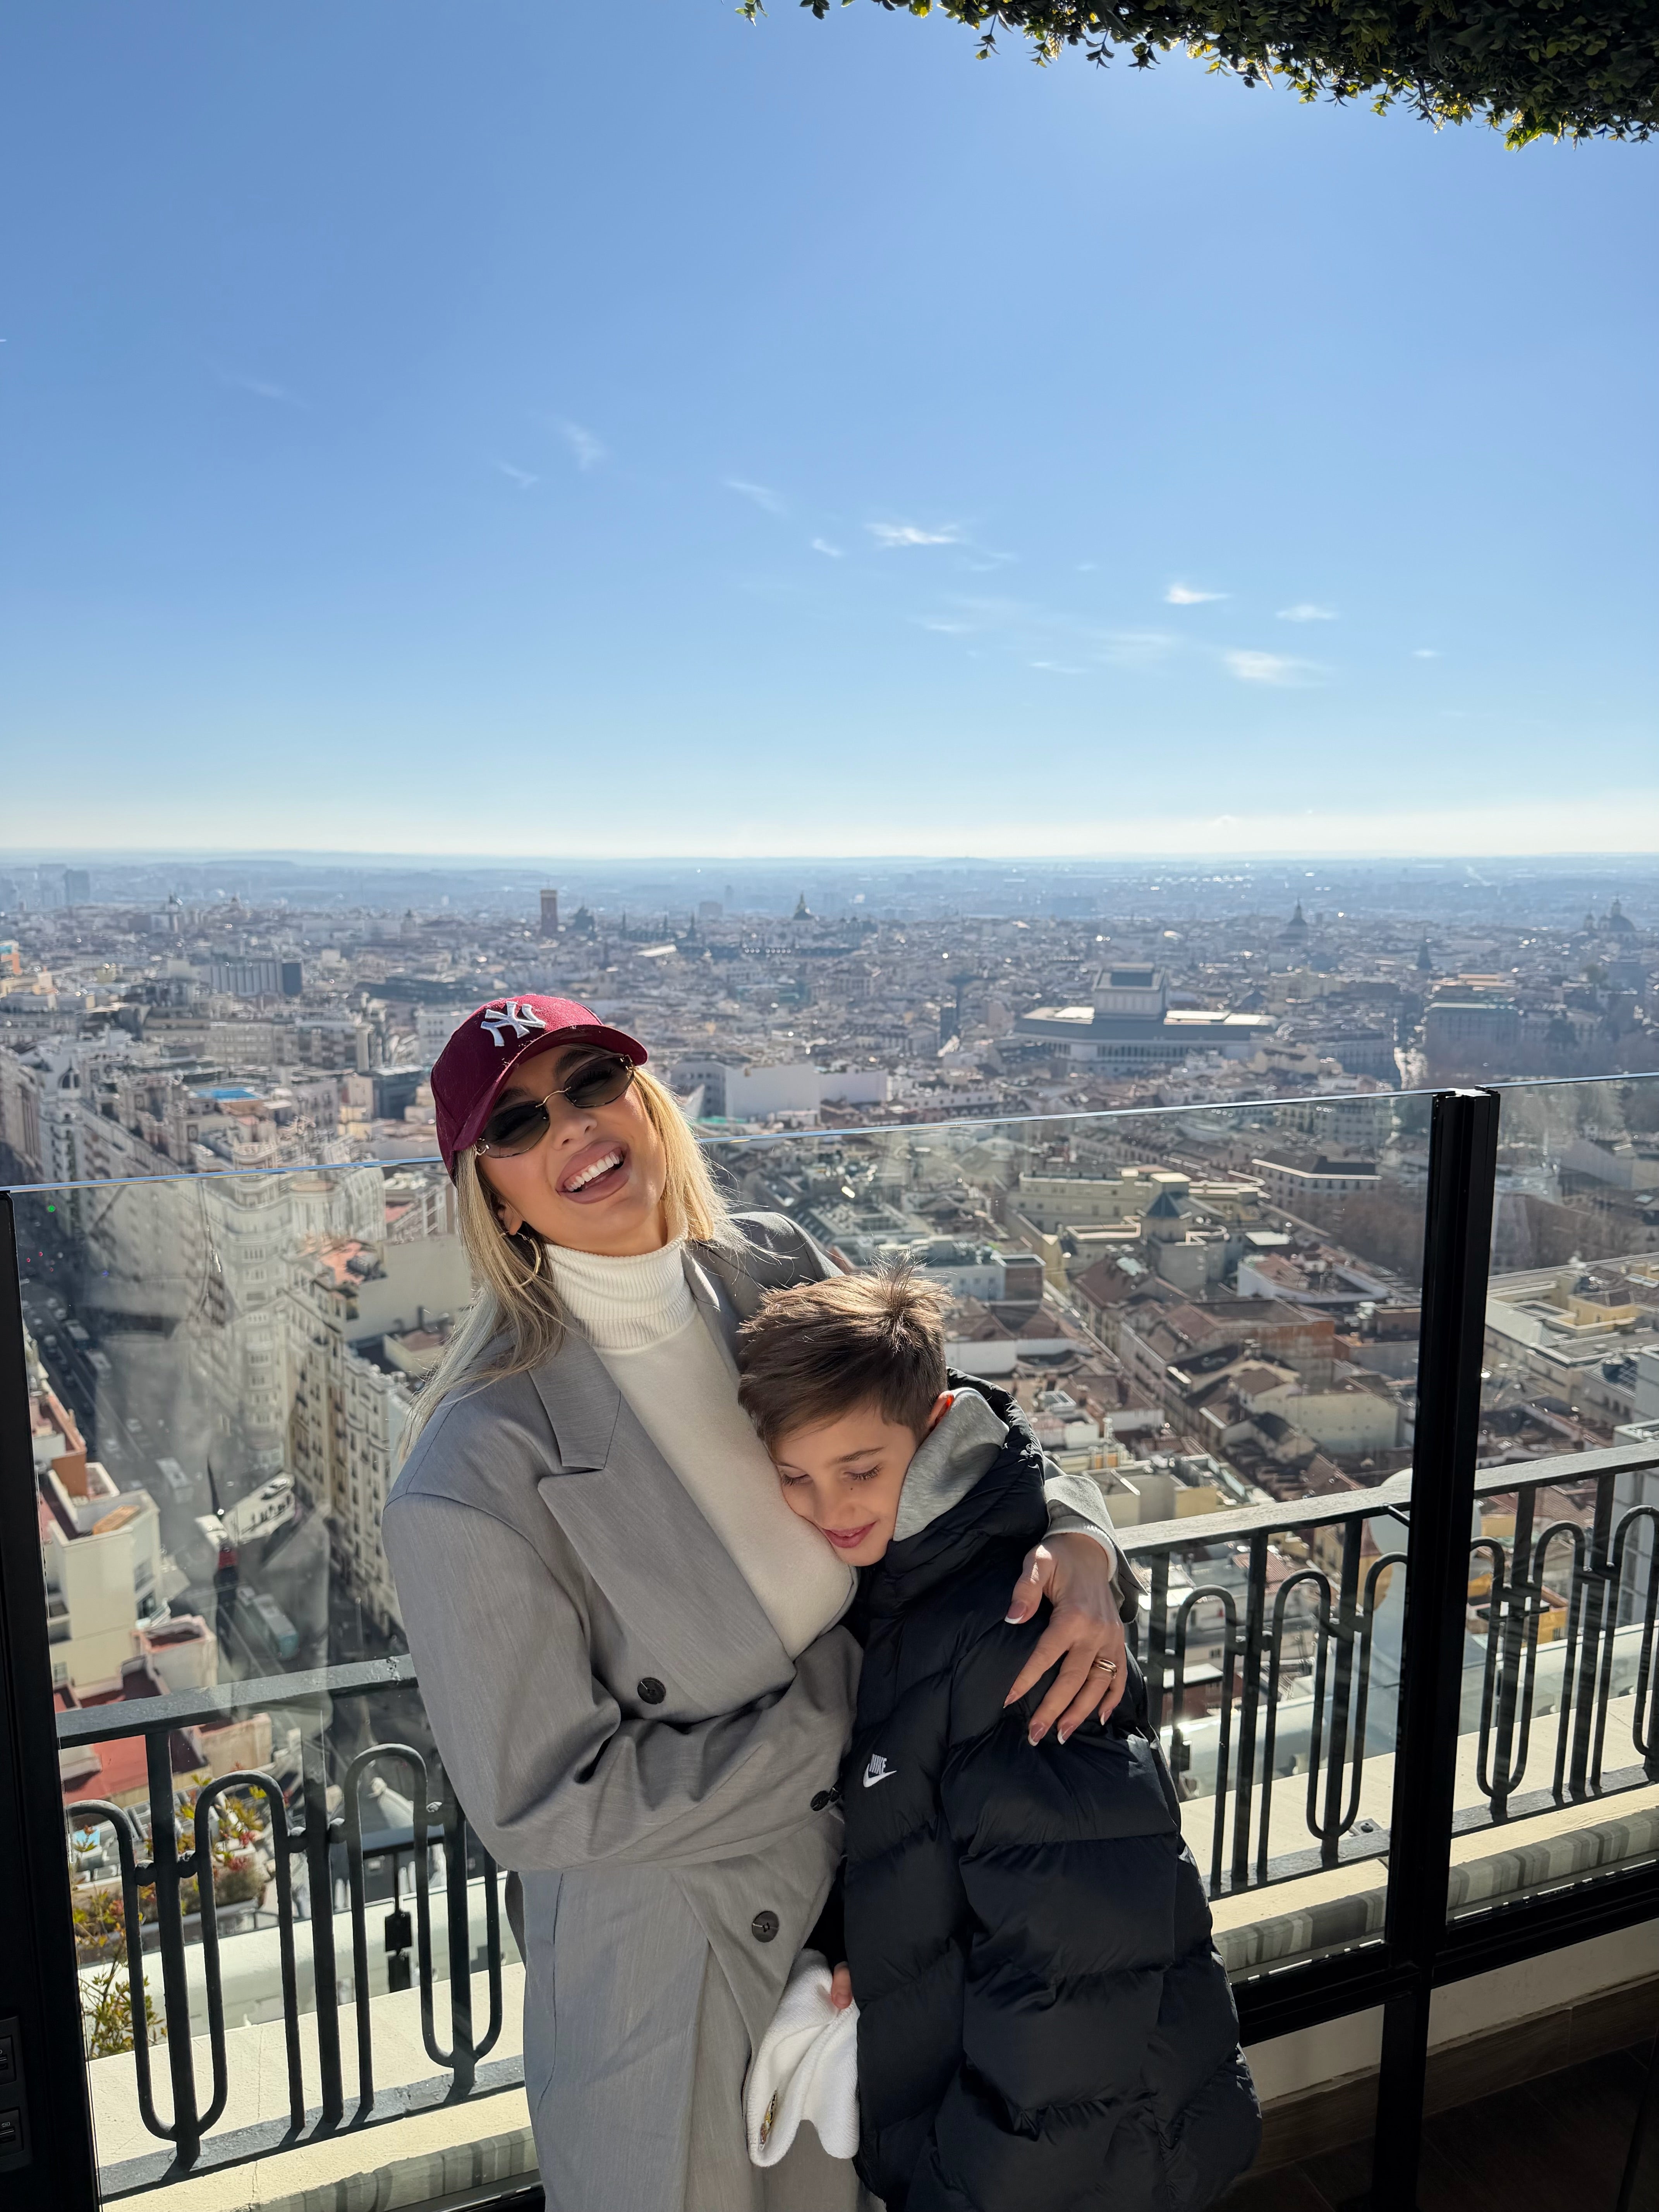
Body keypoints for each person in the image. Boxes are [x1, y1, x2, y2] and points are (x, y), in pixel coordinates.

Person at [381, 995, 1134, 2212]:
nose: (571, 1126)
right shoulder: (474, 1468)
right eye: (517, 1123)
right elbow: (540, 1804)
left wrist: (1076, 1534)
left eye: (591, 1082)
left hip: (885, 1901)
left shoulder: (770, 1266)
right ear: (492, 1196)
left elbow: (951, 1437)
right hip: (682, 1970)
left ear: (645, 1099)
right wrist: (852, 1713)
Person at [735, 1266, 1261, 2212]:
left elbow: (1073, 1976)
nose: (830, 1508)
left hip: (1080, 2154)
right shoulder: (909, 1583)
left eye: (860, 1470)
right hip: (1043, 2127)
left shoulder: (1013, 1631)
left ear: (938, 1424)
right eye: (795, 1478)